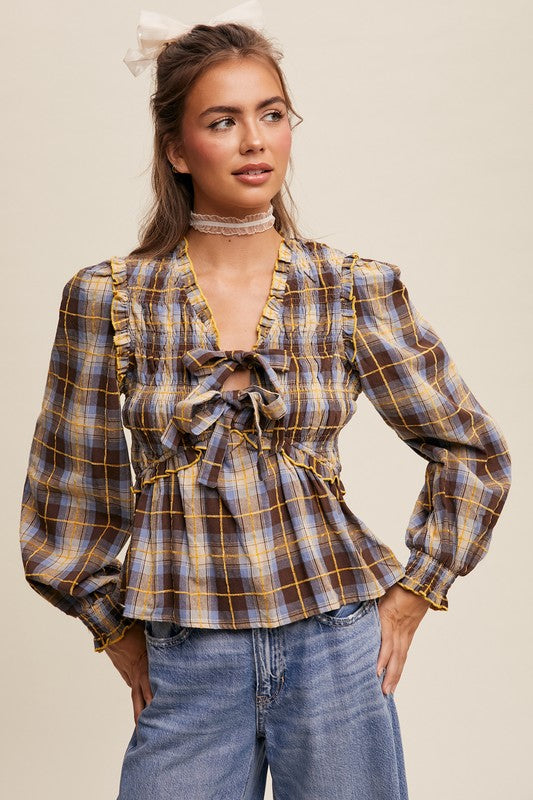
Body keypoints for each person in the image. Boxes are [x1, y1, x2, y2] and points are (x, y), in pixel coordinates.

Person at [19, 4, 512, 799]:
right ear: (176, 148)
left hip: (336, 648)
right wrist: (117, 633)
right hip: (187, 657)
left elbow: (470, 451)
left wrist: (413, 594)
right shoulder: (107, 298)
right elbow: (68, 489)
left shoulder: (350, 287)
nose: (254, 141)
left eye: (271, 114)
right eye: (223, 121)